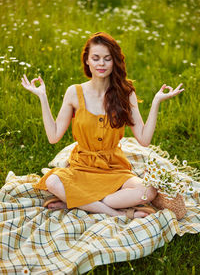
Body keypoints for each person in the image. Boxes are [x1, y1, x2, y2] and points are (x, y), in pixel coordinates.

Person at [21, 32, 184, 219]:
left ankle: (77, 202)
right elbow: (53, 136)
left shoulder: (125, 93)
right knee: (52, 182)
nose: (101, 64)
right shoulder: (74, 92)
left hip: (114, 168)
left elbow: (144, 140)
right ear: (87, 61)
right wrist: (42, 97)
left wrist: (156, 102)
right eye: (96, 58)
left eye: (107, 59)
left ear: (114, 62)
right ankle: (121, 214)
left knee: (148, 191)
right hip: (81, 167)